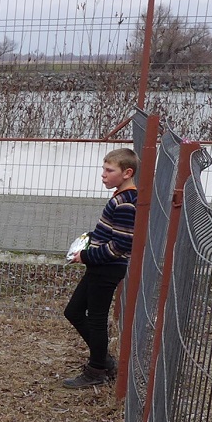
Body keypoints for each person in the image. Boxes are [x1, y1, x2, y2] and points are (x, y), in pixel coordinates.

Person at [62, 147, 139, 390]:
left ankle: (96, 369)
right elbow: (113, 234)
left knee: (95, 319)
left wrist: (85, 256)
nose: (103, 175)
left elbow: (120, 246)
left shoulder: (126, 203)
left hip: (107, 267)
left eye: (109, 170)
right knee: (73, 311)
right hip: (99, 266)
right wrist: (92, 237)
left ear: (127, 172)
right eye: (103, 169)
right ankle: (104, 359)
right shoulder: (120, 196)